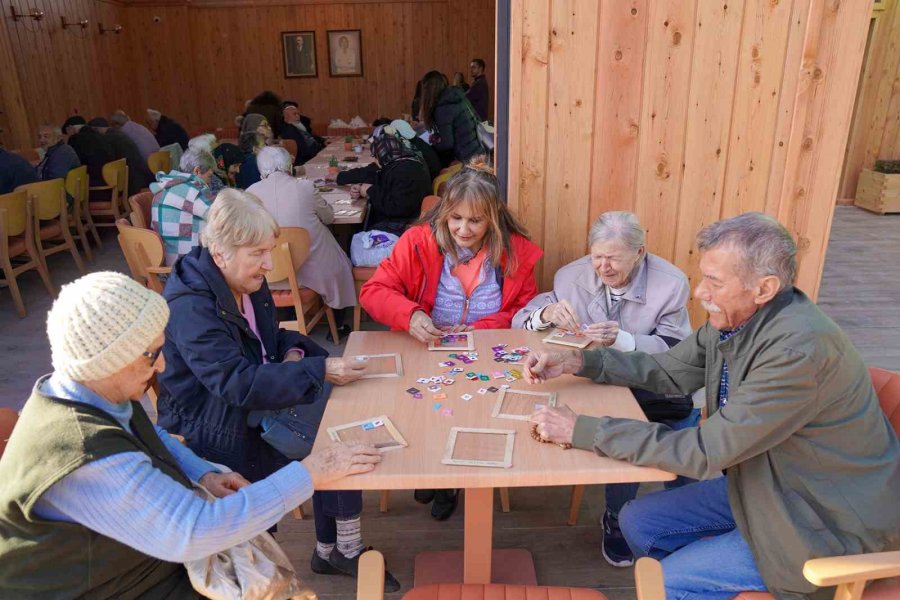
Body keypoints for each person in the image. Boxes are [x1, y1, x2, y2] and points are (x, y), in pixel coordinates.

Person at [526, 212, 900, 599]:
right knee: (636, 520)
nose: (700, 292)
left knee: (669, 580)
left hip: (823, 525)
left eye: (715, 282)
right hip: (763, 484)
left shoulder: (796, 353)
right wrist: (580, 362)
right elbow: (669, 370)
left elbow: (705, 449)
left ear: (765, 288)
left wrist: (582, 429)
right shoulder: (737, 321)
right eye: (703, 277)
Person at [0, 271, 386, 597]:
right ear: (108, 361)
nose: (163, 364)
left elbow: (151, 434)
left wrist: (203, 472)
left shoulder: (89, 390)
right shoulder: (84, 455)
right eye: (151, 355)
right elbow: (199, 530)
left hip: (143, 567)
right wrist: (312, 472)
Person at [157, 190, 400, 591]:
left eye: (270, 251)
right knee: (318, 459)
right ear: (219, 252)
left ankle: (334, 551)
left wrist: (301, 357)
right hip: (217, 430)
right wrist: (317, 367)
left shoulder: (244, 278)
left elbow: (269, 340)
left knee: (336, 433)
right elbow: (236, 383)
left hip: (256, 408)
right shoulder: (191, 305)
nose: (269, 265)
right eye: (258, 254)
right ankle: (311, 560)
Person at [360, 158, 542, 519]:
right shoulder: (416, 242)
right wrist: (409, 314)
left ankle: (451, 481)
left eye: (475, 220)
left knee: (473, 410)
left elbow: (525, 308)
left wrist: (485, 328)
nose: (463, 229)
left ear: (493, 217)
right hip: (423, 345)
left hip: (489, 349)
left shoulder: (516, 251)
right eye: (455, 218)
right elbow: (374, 290)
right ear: (444, 212)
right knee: (423, 409)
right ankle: (431, 471)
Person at [513, 211, 696, 567]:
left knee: (677, 454)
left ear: (640, 252)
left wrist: (624, 339)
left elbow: (678, 352)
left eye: (614, 258)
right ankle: (616, 516)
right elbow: (520, 319)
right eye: (597, 256)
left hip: (657, 385)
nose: (603, 266)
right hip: (597, 379)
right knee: (617, 428)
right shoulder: (571, 275)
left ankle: (686, 522)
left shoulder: (671, 283)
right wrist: (546, 313)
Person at [247, 146, 356, 320]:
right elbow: (328, 217)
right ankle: (339, 321)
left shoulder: (250, 192)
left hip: (268, 271)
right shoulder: (305, 187)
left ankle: (282, 315)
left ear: (261, 171)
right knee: (339, 260)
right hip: (312, 269)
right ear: (290, 167)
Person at [342, 129, 432, 236]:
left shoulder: (404, 171)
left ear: (382, 153)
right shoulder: (400, 162)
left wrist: (370, 191)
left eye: (376, 156)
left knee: (357, 234)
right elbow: (382, 180)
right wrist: (362, 188)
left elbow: (397, 209)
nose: (376, 160)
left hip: (405, 224)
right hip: (405, 219)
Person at [149, 148, 216, 266]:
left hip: (166, 258)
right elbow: (222, 216)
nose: (209, 183)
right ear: (197, 171)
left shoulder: (166, 185)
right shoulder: (192, 189)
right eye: (209, 176)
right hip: (188, 264)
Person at [419, 70, 483, 167]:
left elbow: (447, 144)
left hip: (466, 159)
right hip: (478, 151)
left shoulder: (443, 107)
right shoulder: (458, 96)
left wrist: (434, 143)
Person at [89, 117, 154, 195]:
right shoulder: (120, 135)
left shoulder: (107, 140)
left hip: (133, 184)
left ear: (96, 130)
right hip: (143, 178)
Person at [64, 115, 115, 188]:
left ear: (71, 128)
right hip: (109, 179)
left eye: (67, 132)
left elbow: (72, 163)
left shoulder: (75, 139)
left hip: (93, 183)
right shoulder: (99, 135)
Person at [279, 101, 323, 166]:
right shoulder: (289, 131)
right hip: (305, 162)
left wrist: (322, 142)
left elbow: (309, 136)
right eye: (294, 114)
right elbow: (303, 151)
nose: (298, 116)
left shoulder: (297, 126)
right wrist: (320, 150)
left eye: (298, 114)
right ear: (286, 118)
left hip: (314, 154)